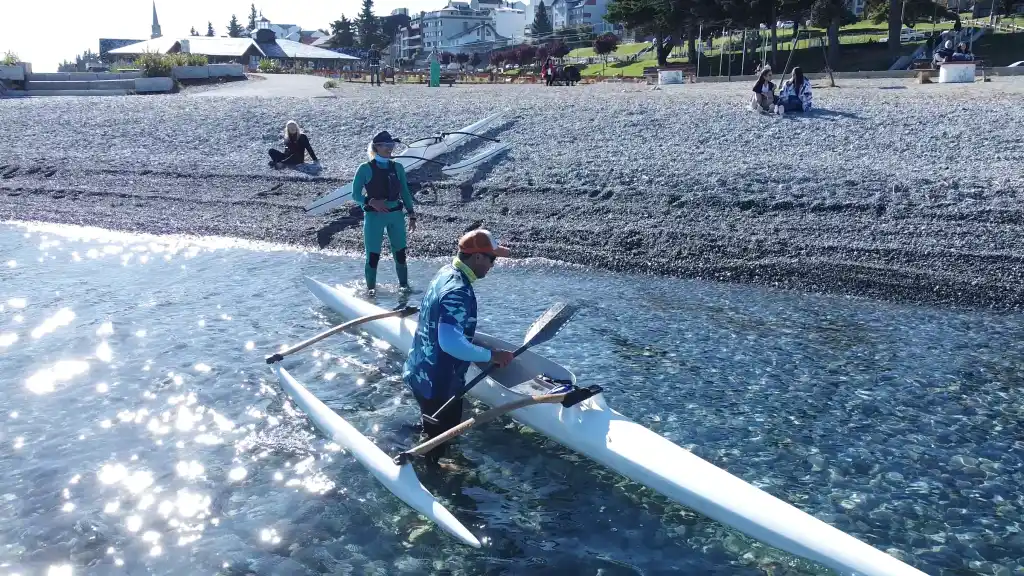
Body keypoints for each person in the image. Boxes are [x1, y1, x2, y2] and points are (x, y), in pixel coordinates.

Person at [403, 229, 516, 462]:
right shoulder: (458, 291)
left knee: (434, 428)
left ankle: (423, 445)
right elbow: (451, 344)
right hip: (438, 382)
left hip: (420, 370)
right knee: (439, 443)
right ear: (477, 258)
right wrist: (491, 355)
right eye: (491, 259)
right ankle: (433, 476)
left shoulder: (446, 272)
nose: (492, 265)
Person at [351, 130, 416, 294]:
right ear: (376, 147)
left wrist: (412, 214)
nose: (390, 148)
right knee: (373, 256)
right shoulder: (365, 168)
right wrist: (371, 201)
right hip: (374, 217)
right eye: (386, 145)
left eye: (392, 145)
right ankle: (370, 291)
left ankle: (404, 288)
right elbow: (355, 195)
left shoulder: (398, 167)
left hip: (396, 216)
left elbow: (405, 192)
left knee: (400, 254)